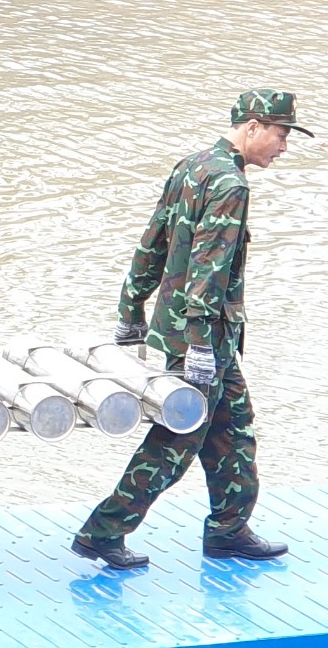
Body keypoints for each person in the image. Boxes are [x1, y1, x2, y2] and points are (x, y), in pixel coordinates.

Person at [72, 89, 312, 572]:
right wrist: (203, 346)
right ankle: (104, 531)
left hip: (184, 332)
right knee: (177, 440)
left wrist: (130, 308)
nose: (283, 148)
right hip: (204, 338)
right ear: (253, 127)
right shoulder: (230, 185)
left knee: (234, 431)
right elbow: (209, 268)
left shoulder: (193, 166)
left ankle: (229, 529)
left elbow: (152, 239)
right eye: (281, 136)